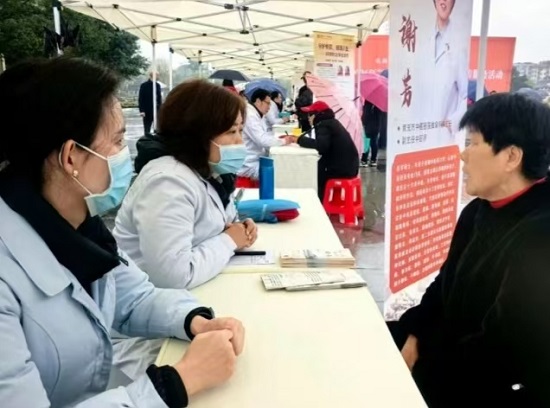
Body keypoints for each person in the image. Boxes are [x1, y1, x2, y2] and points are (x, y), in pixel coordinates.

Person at [0, 58, 245, 407]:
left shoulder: (79, 228)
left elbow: (133, 298)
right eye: (117, 142)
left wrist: (194, 320)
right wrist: (176, 383)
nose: (125, 155)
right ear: (71, 158)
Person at [388, 93, 550, 407]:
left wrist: (423, 359)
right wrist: (415, 333)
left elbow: (505, 347)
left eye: (473, 143)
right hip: (453, 354)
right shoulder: (478, 210)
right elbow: (443, 284)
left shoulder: (541, 233)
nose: (463, 155)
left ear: (511, 157)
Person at [114, 80, 257, 290]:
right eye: (231, 132)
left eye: (241, 131)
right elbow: (173, 276)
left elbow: (214, 225)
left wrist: (238, 228)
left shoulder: (207, 171)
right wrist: (229, 240)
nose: (239, 142)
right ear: (198, 132)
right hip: (151, 300)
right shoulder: (167, 182)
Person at [285, 101, 359, 200]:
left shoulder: (324, 125)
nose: (308, 118)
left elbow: (321, 146)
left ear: (316, 115)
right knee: (318, 167)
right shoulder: (331, 123)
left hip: (342, 170)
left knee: (314, 174)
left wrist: (299, 140)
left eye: (310, 114)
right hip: (350, 166)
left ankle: (319, 202)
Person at [424, 0, 468, 140]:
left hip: (443, 135)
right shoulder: (425, 38)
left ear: (454, 2)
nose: (443, 2)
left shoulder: (459, 45)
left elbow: (466, 94)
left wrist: (453, 121)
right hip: (422, 130)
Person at [237, 88, 289, 186]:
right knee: (280, 174)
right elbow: (262, 140)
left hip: (255, 159)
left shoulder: (257, 114)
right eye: (267, 103)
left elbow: (264, 135)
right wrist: (283, 141)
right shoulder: (250, 116)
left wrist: (277, 140)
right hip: (249, 164)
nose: (269, 107)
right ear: (258, 101)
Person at [138, 71, 162, 136]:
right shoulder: (144, 85)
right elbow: (141, 98)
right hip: (147, 110)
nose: (158, 77)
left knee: (158, 128)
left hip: (156, 110)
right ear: (153, 76)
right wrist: (142, 110)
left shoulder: (157, 85)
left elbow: (159, 98)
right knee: (147, 129)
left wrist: (161, 109)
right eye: (157, 75)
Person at [361, 101, 381, 167]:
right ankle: (373, 160)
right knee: (374, 143)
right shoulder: (379, 104)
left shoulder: (368, 103)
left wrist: (363, 122)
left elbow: (365, 115)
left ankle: (364, 160)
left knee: (366, 143)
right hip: (376, 126)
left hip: (368, 126)